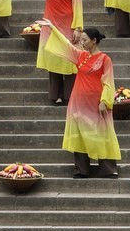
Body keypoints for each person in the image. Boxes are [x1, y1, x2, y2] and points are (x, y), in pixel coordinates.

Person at [38, 21, 121, 178]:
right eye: (81, 40)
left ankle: (108, 169)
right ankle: (81, 170)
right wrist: (52, 27)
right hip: (78, 103)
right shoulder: (81, 56)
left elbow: (108, 82)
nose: (81, 43)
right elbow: (66, 45)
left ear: (94, 41)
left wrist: (104, 101)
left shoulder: (105, 59)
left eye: (84, 40)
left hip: (96, 103)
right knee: (80, 135)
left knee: (102, 133)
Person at [13, 0, 83, 105]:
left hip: (67, 27)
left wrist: (78, 28)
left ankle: (70, 96)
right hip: (50, 25)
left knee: (68, 60)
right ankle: (56, 95)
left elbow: (78, 6)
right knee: (54, 60)